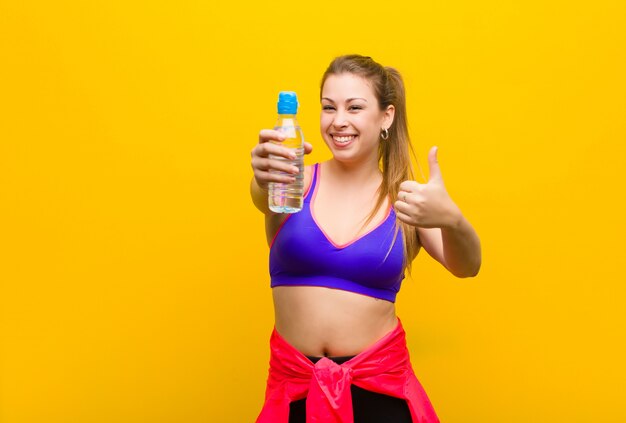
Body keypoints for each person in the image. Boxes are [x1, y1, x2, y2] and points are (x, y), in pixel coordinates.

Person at [250, 54, 481, 423]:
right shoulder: (293, 182)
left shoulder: (406, 198)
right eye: (329, 107)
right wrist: (263, 175)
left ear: (386, 116)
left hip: (379, 392)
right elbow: (262, 196)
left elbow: (467, 266)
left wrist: (452, 219)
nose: (338, 121)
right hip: (295, 390)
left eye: (354, 107)